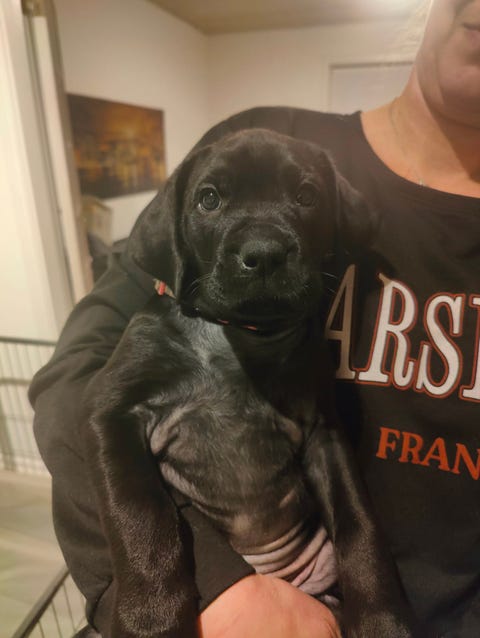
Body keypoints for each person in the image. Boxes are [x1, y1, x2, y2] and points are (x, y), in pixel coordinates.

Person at [29, 0, 480, 636]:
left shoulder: (303, 343)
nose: (264, 243)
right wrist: (218, 593)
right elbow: (73, 388)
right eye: (213, 200)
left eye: (303, 199)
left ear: (336, 228)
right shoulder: (256, 139)